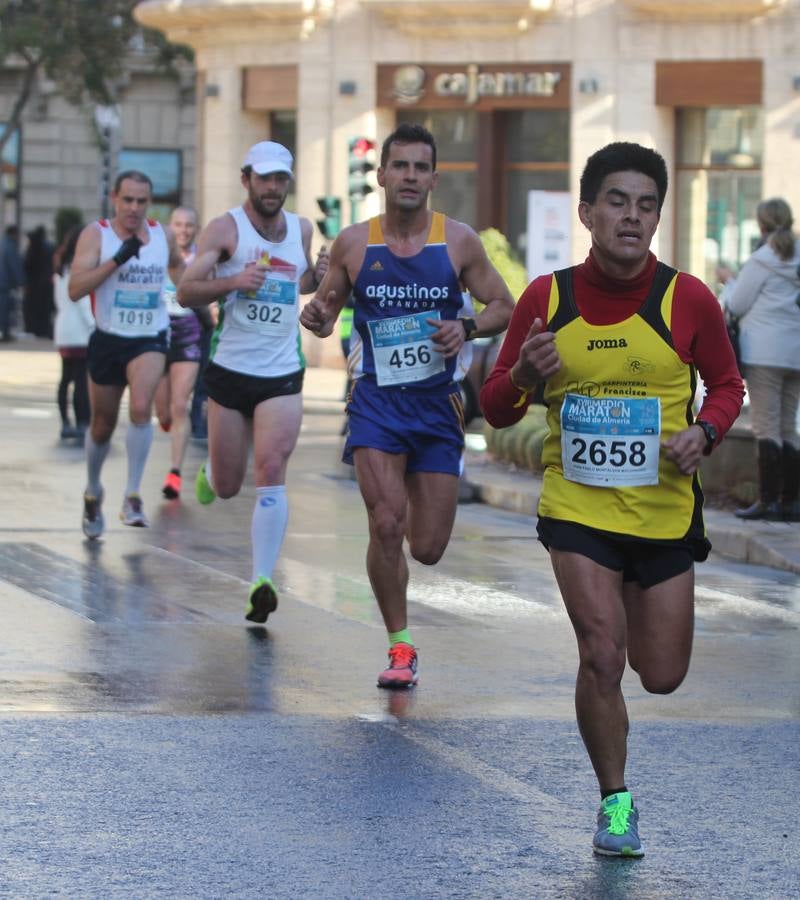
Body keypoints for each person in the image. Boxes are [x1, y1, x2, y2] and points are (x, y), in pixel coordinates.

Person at [479, 141, 744, 857]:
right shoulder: (547, 298)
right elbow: (495, 408)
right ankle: (615, 802)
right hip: (578, 511)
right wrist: (526, 376)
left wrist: (704, 434)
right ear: (589, 212)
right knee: (600, 653)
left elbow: (727, 387)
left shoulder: (687, 299)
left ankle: (634, 610)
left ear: (658, 215)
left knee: (660, 675)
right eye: (618, 203)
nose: (632, 216)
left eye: (647, 204)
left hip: (662, 511)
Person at [300, 123, 515, 685]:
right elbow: (324, 313)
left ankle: (405, 595)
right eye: (401, 166)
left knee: (428, 547)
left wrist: (464, 328)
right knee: (386, 522)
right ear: (382, 175)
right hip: (376, 402)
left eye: (421, 168)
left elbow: (504, 306)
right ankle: (399, 645)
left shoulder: (459, 241)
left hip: (437, 405)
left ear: (434, 179)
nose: (410, 176)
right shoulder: (354, 243)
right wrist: (317, 317)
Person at [176, 142, 328, 623]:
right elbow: (185, 291)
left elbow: (298, 281)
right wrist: (232, 283)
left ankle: (261, 582)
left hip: (281, 370)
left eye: (280, 179)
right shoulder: (225, 230)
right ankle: (208, 475)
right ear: (246, 180)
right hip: (231, 368)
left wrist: (316, 276)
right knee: (226, 485)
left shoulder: (301, 228)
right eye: (264, 179)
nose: (272, 188)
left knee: (271, 469)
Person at [67, 170, 186, 537]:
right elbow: (75, 288)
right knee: (101, 425)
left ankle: (133, 493)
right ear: (115, 199)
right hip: (108, 338)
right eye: (128, 200)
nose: (134, 208)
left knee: (140, 408)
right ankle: (93, 489)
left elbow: (181, 271)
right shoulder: (96, 234)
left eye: (142, 201)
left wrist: (198, 293)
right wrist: (116, 260)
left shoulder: (162, 236)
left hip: (149, 336)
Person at [723, 197, 800, 521]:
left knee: (766, 425)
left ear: (761, 225)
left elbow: (737, 304)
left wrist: (730, 282)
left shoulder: (761, 260)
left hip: (764, 351)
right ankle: (790, 503)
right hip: (798, 351)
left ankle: (768, 501)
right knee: (791, 425)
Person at [154, 206, 203, 499]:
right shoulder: (157, 253)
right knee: (163, 411)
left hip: (189, 330)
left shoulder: (202, 258)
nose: (183, 230)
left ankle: (174, 472)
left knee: (180, 405)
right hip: (160, 330)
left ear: (196, 229)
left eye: (189, 225)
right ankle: (170, 424)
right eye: (178, 225)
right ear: (169, 227)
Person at [53, 226, 95, 441]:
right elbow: (82, 302)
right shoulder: (78, 270)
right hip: (79, 331)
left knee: (65, 379)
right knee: (80, 380)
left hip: (63, 330)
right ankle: (82, 422)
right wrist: (94, 326)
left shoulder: (60, 268)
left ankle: (65, 422)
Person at [0, 225, 25, 341]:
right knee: (5, 310)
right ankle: (2, 333)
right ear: (14, 234)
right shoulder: (10, 247)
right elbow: (14, 266)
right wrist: (21, 281)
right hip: (6, 283)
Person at [22, 225, 55, 339]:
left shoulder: (33, 247)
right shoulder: (48, 247)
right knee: (44, 309)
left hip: (34, 284)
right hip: (45, 283)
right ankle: (43, 329)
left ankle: (35, 329)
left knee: (34, 309)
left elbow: (28, 265)